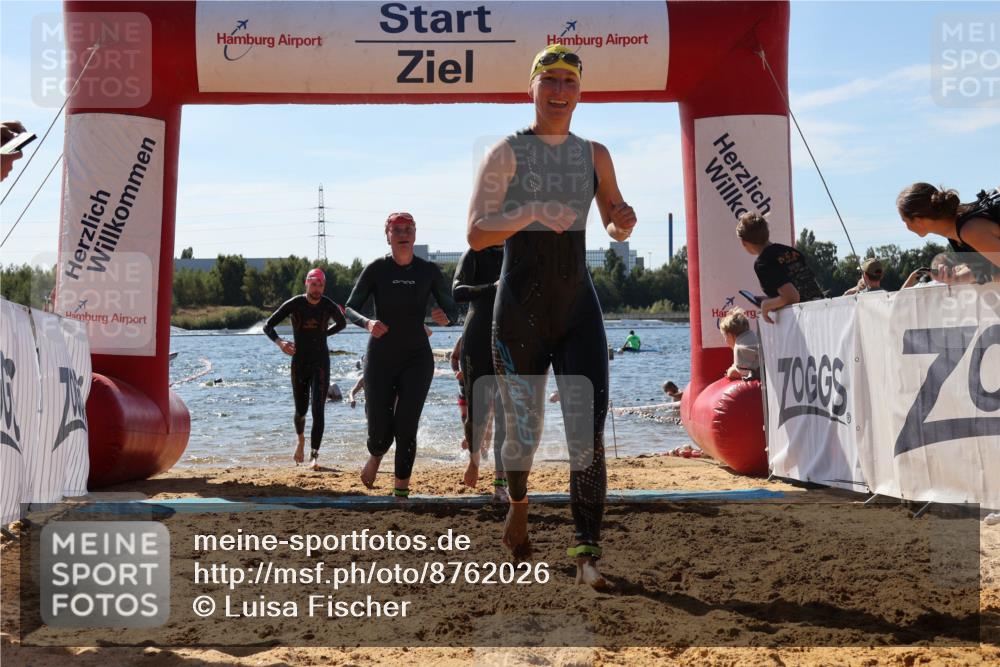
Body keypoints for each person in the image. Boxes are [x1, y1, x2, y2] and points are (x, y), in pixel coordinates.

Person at [467, 44, 637, 589]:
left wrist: (622, 223)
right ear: (533, 88)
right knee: (525, 431)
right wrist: (533, 211)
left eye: (570, 81)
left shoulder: (595, 154)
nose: (560, 91)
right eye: (551, 81)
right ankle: (518, 504)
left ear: (580, 91)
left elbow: (613, 216)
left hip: (577, 307)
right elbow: (475, 232)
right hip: (518, 310)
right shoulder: (507, 152)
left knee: (585, 431)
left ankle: (587, 556)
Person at [345, 212, 459, 500]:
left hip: (417, 358)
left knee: (406, 426)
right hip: (381, 356)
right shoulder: (376, 270)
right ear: (388, 235)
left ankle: (400, 493)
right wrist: (367, 323)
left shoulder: (429, 271)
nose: (403, 234)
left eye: (408, 229)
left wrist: (444, 317)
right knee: (381, 433)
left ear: (415, 234)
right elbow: (349, 308)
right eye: (397, 230)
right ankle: (375, 455)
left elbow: (454, 311)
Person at [263, 268, 347, 469]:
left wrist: (325, 334)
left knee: (318, 410)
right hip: (299, 363)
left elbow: (342, 323)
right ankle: (300, 440)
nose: (316, 288)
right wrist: (280, 343)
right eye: (313, 284)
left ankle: (314, 455)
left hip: (320, 363)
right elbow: (268, 325)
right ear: (306, 284)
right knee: (301, 411)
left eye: (320, 285)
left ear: (323, 286)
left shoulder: (328, 305)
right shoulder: (295, 304)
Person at [453, 246, 509, 502]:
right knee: (477, 413)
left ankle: (500, 481)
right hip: (476, 335)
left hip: (508, 337)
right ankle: (474, 461)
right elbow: (457, 291)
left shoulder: (516, 250)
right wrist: (492, 287)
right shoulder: (474, 253)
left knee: (506, 414)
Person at [897, 183, 1000, 283]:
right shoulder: (954, 231)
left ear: (918, 221)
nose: (906, 226)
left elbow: (989, 272)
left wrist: (991, 277)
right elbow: (982, 268)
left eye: (904, 220)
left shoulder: (969, 231)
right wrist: (954, 278)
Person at [736, 212, 825, 323]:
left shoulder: (763, 263)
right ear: (767, 232)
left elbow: (792, 297)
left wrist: (766, 305)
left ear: (744, 242)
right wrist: (773, 300)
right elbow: (801, 288)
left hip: (805, 321)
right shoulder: (792, 251)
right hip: (822, 312)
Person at [719, 308, 759, 381]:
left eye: (725, 336)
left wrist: (730, 372)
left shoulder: (740, 348)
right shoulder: (755, 337)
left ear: (731, 335)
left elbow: (739, 373)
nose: (725, 341)